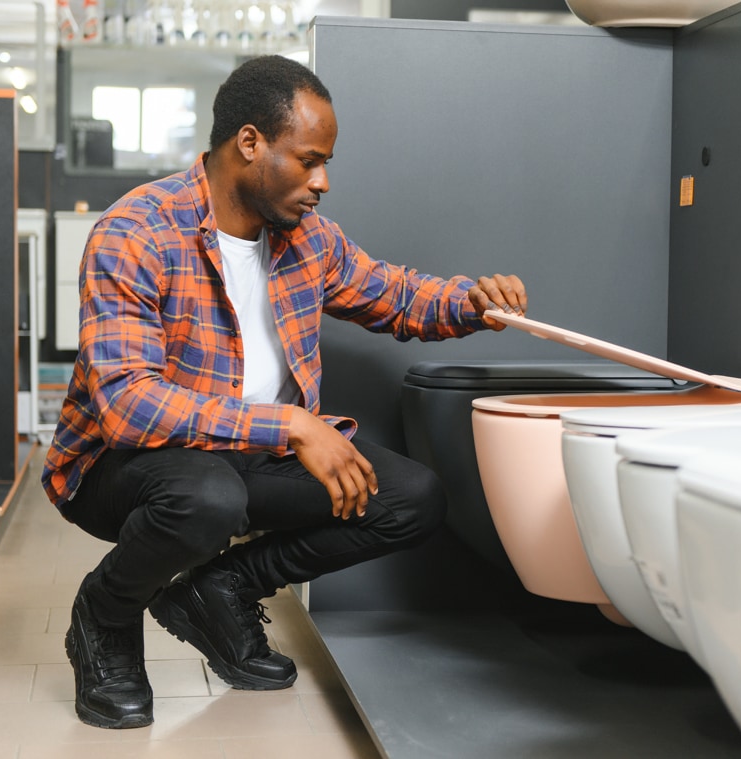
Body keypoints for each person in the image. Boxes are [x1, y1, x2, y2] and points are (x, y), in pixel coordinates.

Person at [41, 55, 528, 730]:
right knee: (207, 495)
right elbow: (128, 405)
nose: (322, 181)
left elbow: (399, 296)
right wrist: (293, 427)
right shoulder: (137, 231)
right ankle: (106, 613)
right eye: (308, 160)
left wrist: (476, 302)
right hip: (121, 466)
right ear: (249, 143)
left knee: (412, 498)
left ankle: (221, 587)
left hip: (242, 455)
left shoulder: (306, 240)